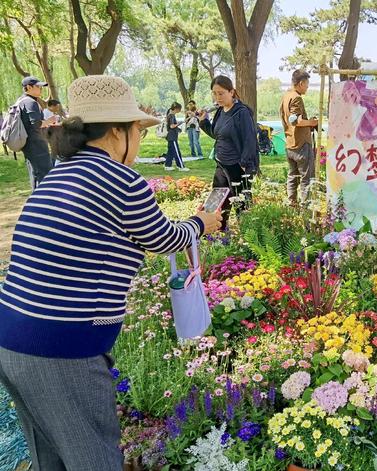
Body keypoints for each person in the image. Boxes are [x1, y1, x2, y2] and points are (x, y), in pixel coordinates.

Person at [0, 75, 221, 470]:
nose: (138, 140)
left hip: (12, 337)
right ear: (117, 132)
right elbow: (164, 238)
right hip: (62, 347)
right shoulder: (120, 180)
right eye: (136, 130)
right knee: (93, 458)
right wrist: (203, 222)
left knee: (49, 456)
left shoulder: (58, 174)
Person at [199, 75, 258, 230]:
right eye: (215, 93)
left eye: (221, 93)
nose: (217, 97)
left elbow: (249, 139)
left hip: (237, 166)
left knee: (241, 204)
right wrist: (204, 121)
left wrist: (245, 164)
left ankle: (248, 237)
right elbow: (217, 134)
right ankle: (218, 232)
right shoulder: (220, 111)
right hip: (221, 164)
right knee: (218, 202)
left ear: (231, 92)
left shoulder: (241, 112)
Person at [280, 69, 318, 205]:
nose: (307, 87)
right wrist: (312, 123)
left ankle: (292, 203)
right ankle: (306, 208)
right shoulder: (296, 97)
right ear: (301, 83)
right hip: (301, 144)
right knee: (306, 178)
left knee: (292, 176)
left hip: (290, 143)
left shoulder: (286, 96)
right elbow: (295, 120)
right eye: (307, 84)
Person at [17, 76, 56, 189]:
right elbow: (36, 124)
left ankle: (37, 201)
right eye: (38, 86)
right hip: (36, 145)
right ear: (29, 87)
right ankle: (46, 201)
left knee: (35, 174)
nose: (41, 89)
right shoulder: (30, 102)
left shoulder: (21, 101)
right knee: (44, 175)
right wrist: (49, 121)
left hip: (28, 144)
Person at [164, 102, 188, 171]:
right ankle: (181, 166)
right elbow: (172, 126)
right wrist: (180, 122)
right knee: (177, 152)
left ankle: (167, 165)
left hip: (170, 136)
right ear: (176, 109)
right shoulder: (171, 115)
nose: (179, 111)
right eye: (179, 109)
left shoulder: (169, 114)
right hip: (172, 136)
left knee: (170, 151)